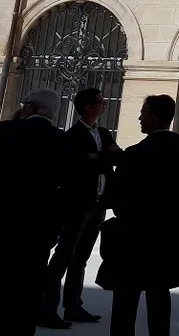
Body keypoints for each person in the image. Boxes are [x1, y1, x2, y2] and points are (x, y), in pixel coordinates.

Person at [0, 88, 77, 336]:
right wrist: (55, 226)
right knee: (21, 305)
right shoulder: (62, 142)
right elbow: (71, 191)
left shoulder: (1, 131)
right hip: (34, 236)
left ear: (30, 107)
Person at [97, 95, 179, 336]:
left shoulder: (135, 154)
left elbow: (116, 200)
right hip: (165, 235)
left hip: (133, 238)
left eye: (143, 113)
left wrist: (111, 165)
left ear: (153, 117)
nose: (140, 117)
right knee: (160, 299)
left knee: (125, 303)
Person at [41, 88, 122, 329]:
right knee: (63, 257)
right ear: (87, 106)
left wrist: (95, 158)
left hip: (98, 205)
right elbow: (74, 166)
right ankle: (47, 308)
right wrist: (100, 158)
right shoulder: (72, 136)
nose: (104, 104)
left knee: (81, 258)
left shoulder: (104, 133)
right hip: (76, 205)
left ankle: (73, 305)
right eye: (100, 101)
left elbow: (118, 158)